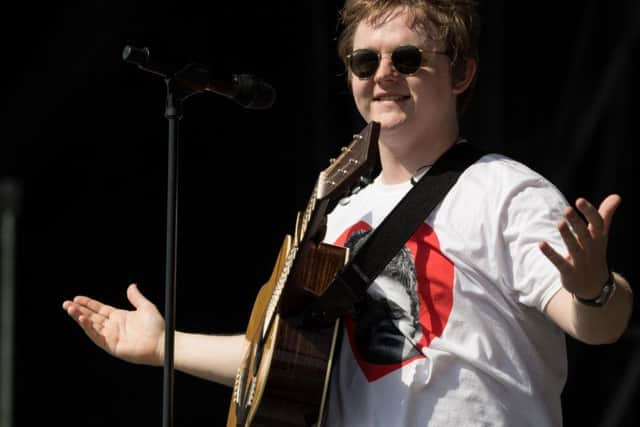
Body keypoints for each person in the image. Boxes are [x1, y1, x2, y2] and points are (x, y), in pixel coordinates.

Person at [63, 0, 634, 425]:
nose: (383, 74)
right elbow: (282, 361)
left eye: (407, 58)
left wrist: (594, 289)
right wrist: (162, 346)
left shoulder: (506, 192)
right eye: (365, 61)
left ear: (461, 74)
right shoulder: (338, 214)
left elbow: (600, 326)